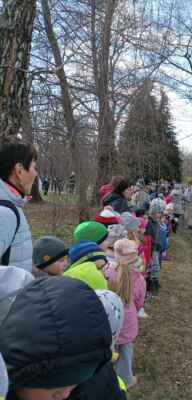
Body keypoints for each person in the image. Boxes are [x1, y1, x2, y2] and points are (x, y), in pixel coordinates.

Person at [0, 277, 117, 400]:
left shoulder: (100, 377)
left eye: (76, 382)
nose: (64, 395)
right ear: (21, 378)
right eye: (52, 386)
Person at [104, 238, 146, 389]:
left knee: (109, 350)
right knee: (126, 351)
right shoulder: (140, 278)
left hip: (110, 319)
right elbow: (139, 302)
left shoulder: (107, 272)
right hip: (128, 322)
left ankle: (106, 379)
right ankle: (126, 379)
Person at [0, 139, 38, 272]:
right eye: (33, 167)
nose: (35, 173)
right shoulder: (5, 213)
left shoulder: (12, 205)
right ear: (19, 170)